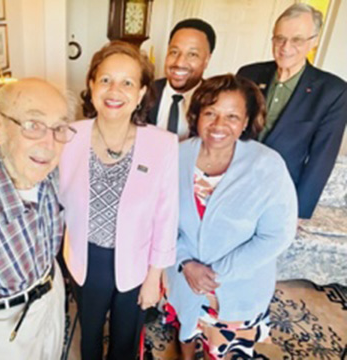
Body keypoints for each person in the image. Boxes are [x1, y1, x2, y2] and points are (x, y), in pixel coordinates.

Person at [60, 41, 178, 360]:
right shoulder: (68, 137)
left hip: (137, 262)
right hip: (85, 258)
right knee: (90, 334)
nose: (115, 90)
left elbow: (166, 217)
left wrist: (155, 277)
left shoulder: (163, 145)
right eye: (106, 80)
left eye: (128, 82)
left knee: (126, 339)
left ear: (141, 93)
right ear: (91, 85)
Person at [166, 74, 298, 360]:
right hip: (184, 279)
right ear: (196, 114)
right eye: (210, 113)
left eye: (231, 116)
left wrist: (215, 274)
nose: (218, 125)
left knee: (222, 352)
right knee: (186, 335)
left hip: (237, 289)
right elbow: (159, 220)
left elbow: (277, 234)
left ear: (247, 121)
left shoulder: (268, 165)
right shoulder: (174, 157)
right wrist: (185, 262)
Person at [0, 78, 75, 360]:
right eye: (33, 125)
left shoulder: (50, 173)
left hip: (51, 294)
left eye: (58, 128)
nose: (49, 143)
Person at [237, 3, 347, 219]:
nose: (285, 47)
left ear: (313, 42)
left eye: (296, 39)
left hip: (279, 194)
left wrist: (297, 212)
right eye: (279, 38)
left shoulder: (333, 91)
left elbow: (321, 160)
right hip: (234, 181)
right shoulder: (248, 74)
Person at [148, 18, 216, 141]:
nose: (179, 62)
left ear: (207, 60)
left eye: (192, 54)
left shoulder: (215, 99)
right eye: (174, 52)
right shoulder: (145, 93)